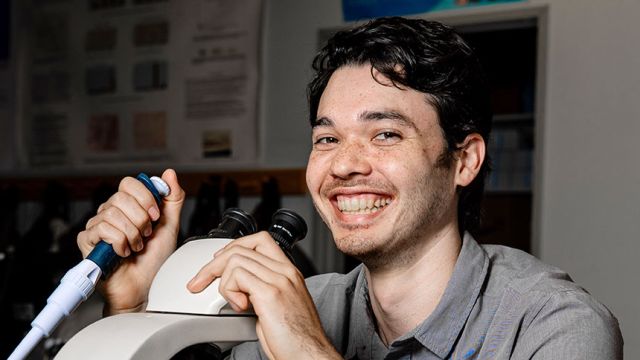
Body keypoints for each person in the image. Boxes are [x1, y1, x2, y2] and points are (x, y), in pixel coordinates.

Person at [77, 17, 622, 359]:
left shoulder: (555, 328)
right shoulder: (302, 304)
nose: (343, 166)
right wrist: (135, 312)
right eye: (327, 138)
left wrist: (308, 352)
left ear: (464, 160)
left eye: (385, 133)